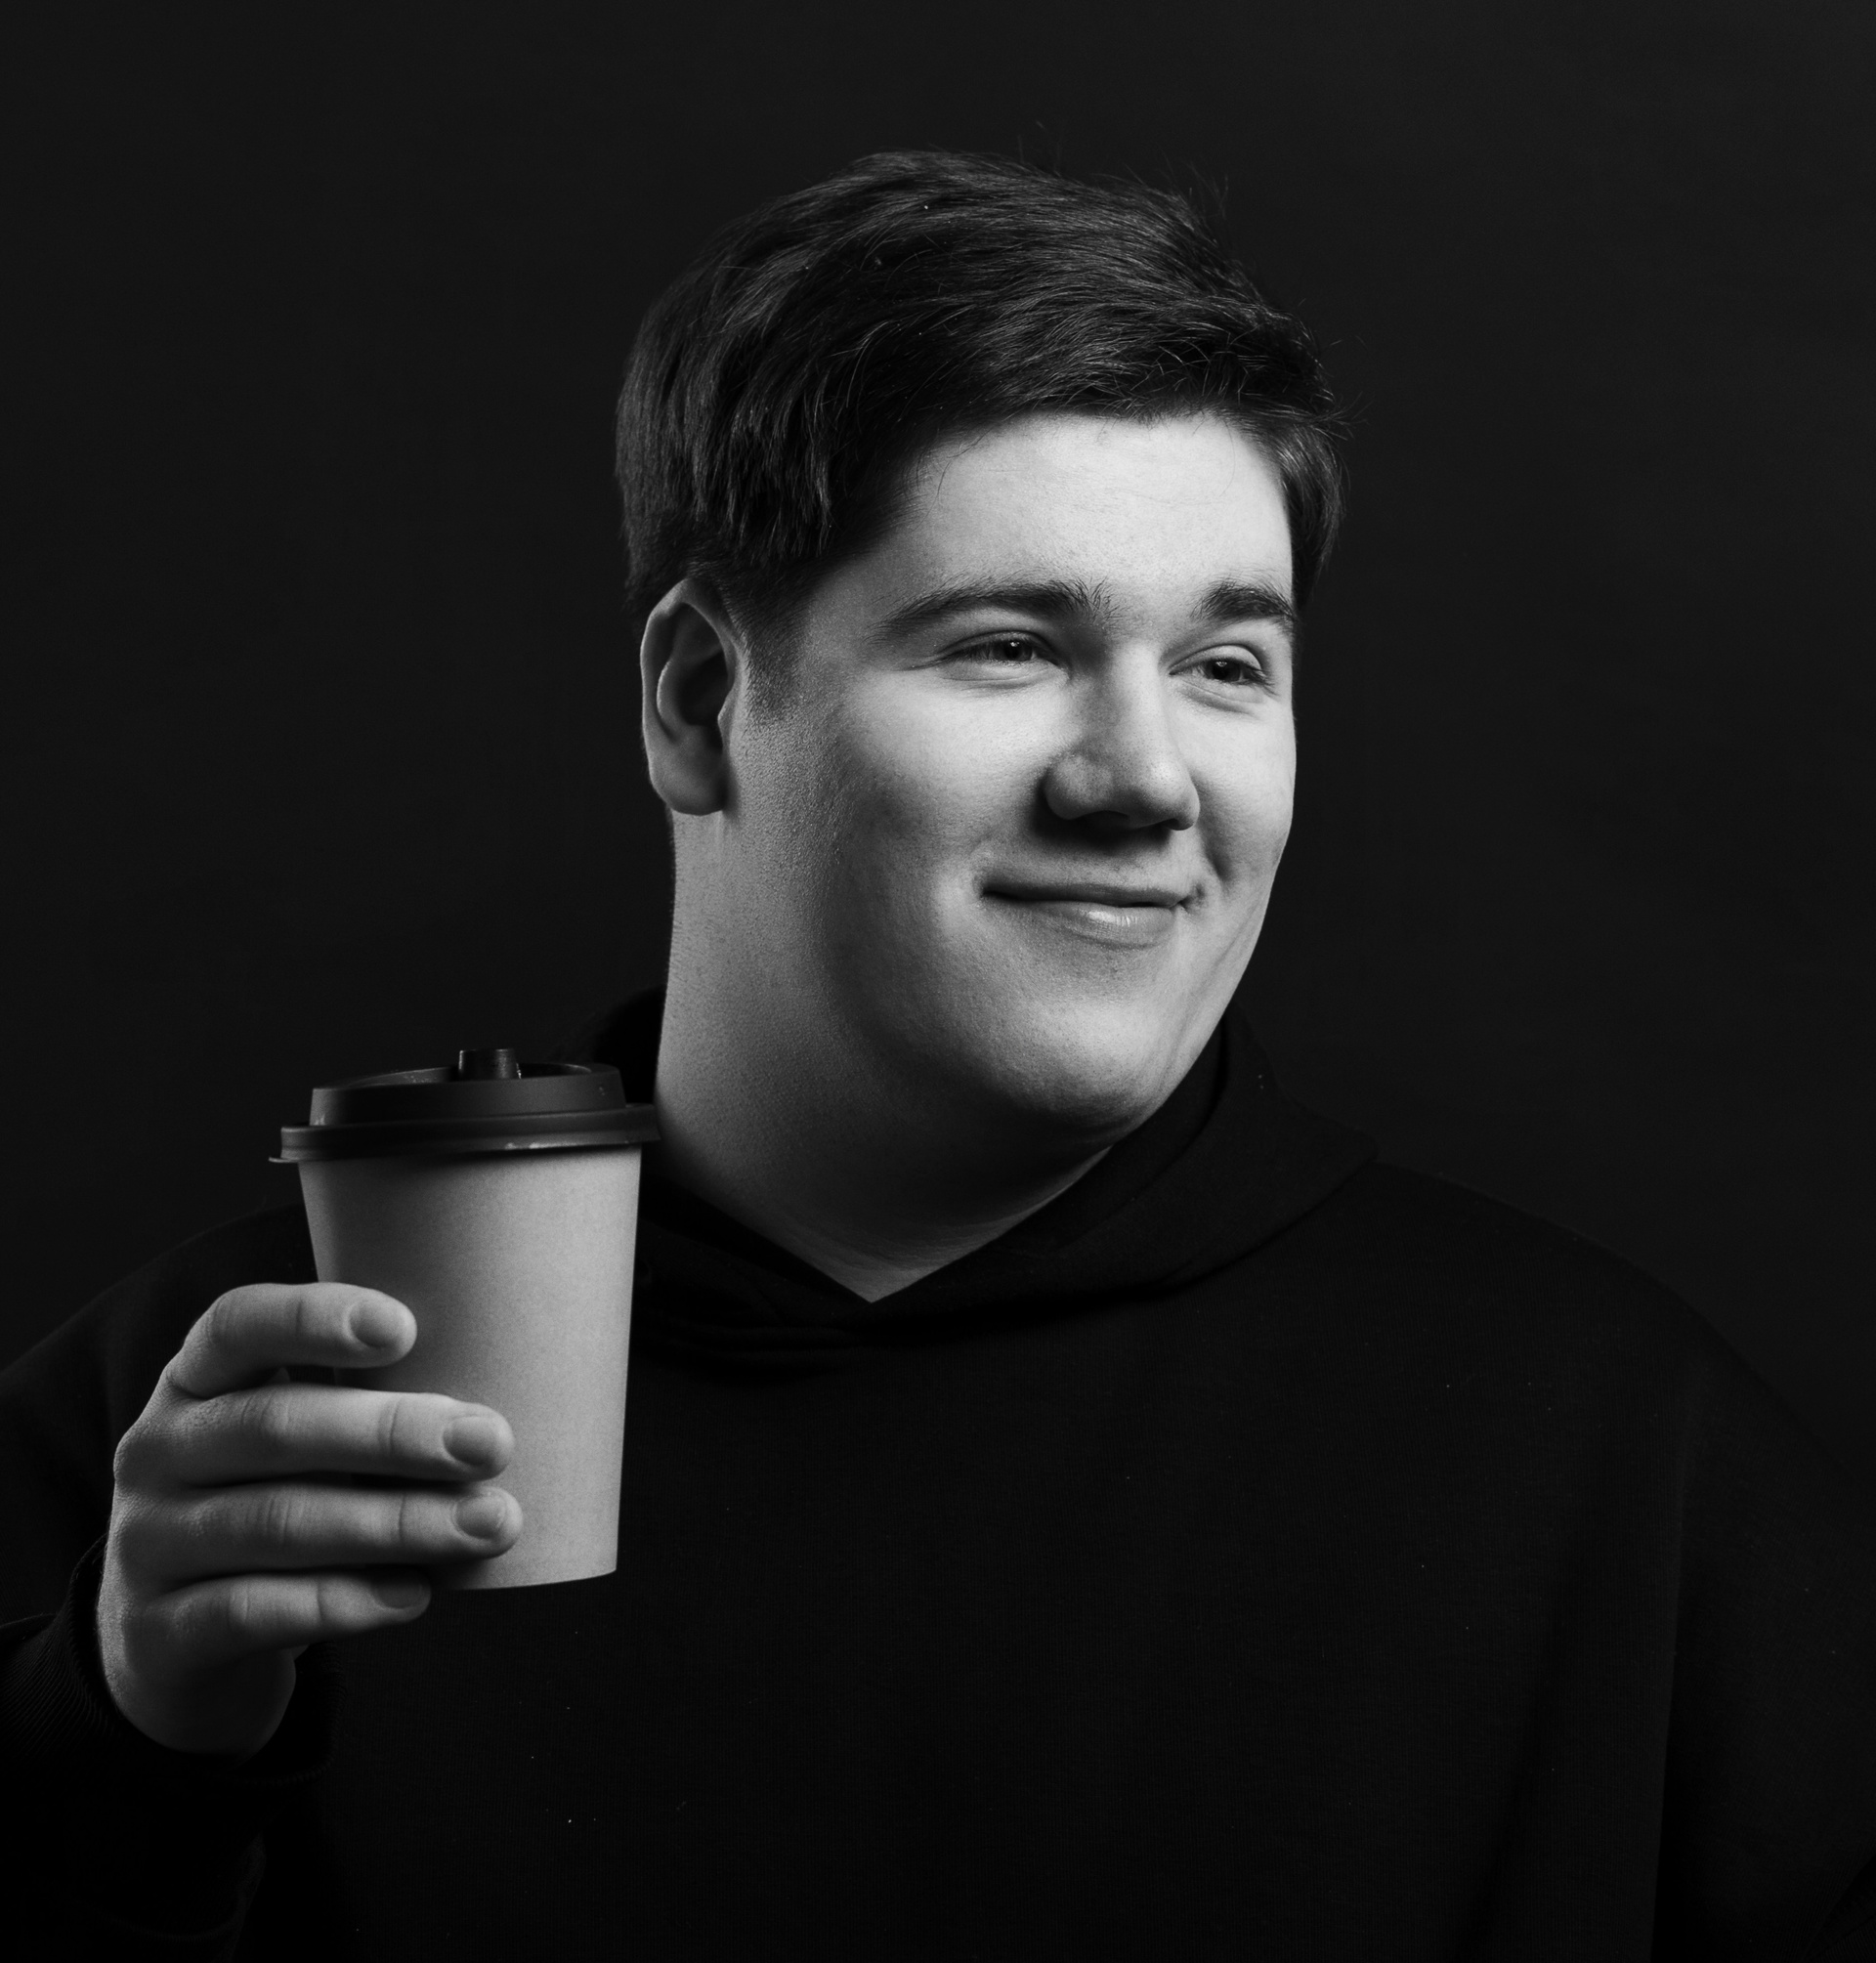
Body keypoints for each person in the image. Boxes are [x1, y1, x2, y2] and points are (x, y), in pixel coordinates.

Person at [4, 149, 1874, 1960]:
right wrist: (122, 1760)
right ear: (699, 698)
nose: (1144, 780)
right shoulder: (194, 1453)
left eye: (1227, 665)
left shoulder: (1632, 1464)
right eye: (1008, 646)